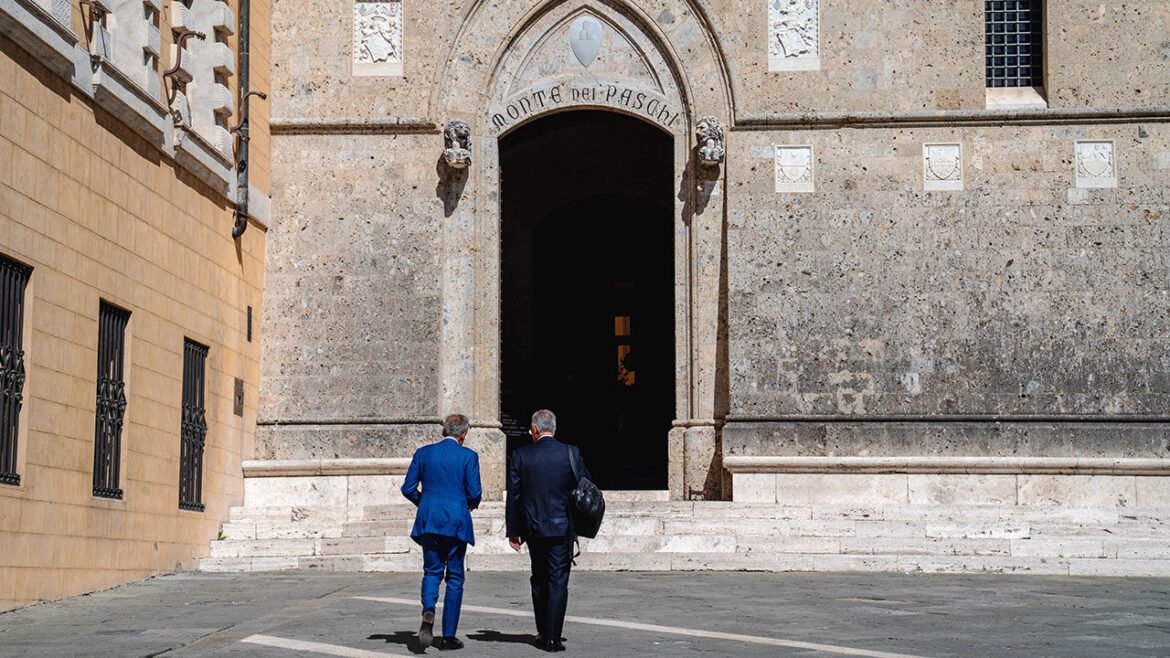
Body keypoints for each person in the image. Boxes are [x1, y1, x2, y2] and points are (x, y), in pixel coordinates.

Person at [506, 409, 591, 653]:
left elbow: (515, 497)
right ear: (554, 428)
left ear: (534, 430)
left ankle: (543, 631)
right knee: (558, 581)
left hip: (533, 528)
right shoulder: (570, 453)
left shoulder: (521, 455)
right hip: (563, 528)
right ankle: (553, 637)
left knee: (539, 579)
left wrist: (514, 531)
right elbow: (585, 487)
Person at [401, 414, 482, 651]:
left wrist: (424, 502)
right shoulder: (469, 456)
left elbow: (407, 488)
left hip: (430, 519)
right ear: (464, 434)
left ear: (442, 431)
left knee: (432, 571)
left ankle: (428, 609)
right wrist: (466, 505)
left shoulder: (423, 453)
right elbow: (475, 493)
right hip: (457, 520)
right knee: (455, 576)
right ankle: (448, 636)